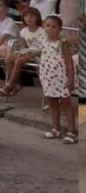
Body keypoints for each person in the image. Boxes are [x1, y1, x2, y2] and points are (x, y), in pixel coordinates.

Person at [36, 15, 76, 143]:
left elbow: (69, 63)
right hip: (48, 77)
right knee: (52, 103)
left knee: (66, 104)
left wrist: (70, 79)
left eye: (54, 27)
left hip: (61, 78)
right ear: (43, 27)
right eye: (47, 26)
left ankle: (71, 132)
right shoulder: (43, 40)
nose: (50, 29)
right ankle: (56, 129)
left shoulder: (62, 43)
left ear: (59, 29)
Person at [0, 8, 44, 97]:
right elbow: (24, 46)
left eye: (32, 16)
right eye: (26, 16)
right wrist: (19, 52)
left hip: (39, 54)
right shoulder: (24, 31)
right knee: (8, 59)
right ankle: (16, 84)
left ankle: (10, 84)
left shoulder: (42, 31)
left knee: (19, 60)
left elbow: (43, 49)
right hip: (27, 52)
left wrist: (29, 53)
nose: (29, 18)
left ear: (37, 18)